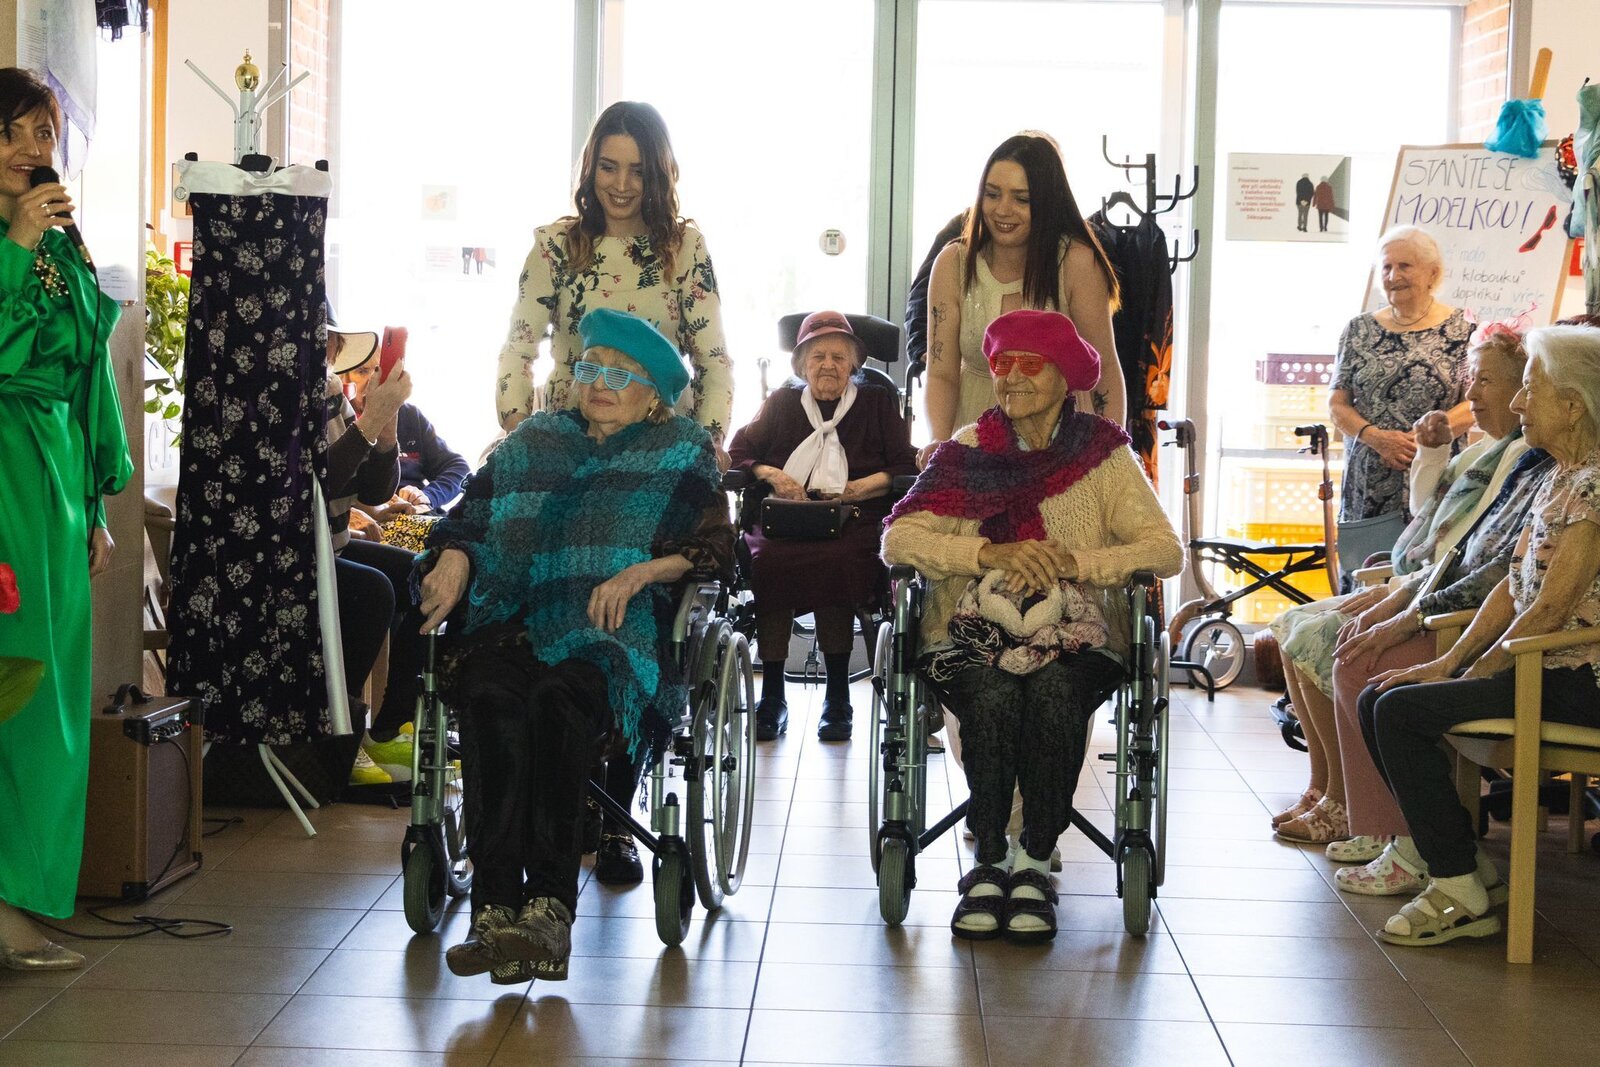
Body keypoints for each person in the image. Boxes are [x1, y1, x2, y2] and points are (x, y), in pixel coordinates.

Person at [420, 308, 732, 983]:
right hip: (517, 617)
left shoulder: (680, 448)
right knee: (490, 693)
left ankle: (548, 912)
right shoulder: (533, 440)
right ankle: (494, 911)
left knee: (558, 698)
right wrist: (455, 556)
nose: (599, 383)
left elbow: (713, 547)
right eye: (591, 367)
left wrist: (641, 572)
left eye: (621, 375)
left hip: (615, 633)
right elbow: (467, 517)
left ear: (655, 396)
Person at [882, 309, 1182, 942]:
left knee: (1052, 692)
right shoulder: (966, 450)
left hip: (1078, 633)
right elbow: (898, 539)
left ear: (1064, 376)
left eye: (1029, 363)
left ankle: (1036, 859)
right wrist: (987, 554)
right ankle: (991, 858)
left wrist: (1075, 563)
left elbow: (1164, 550)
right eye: (1001, 363)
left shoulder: (1103, 454)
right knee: (992, 695)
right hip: (968, 632)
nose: (1010, 376)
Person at [1357, 323, 1600, 948]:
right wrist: (1448, 665)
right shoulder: (1560, 476)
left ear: (1574, 405)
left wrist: (1475, 669)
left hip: (1576, 680)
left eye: (1531, 389)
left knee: (1399, 712)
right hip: (1540, 667)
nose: (1518, 403)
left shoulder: (1594, 486)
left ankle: (1458, 887)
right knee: (1380, 696)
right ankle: (1465, 870)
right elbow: (1510, 590)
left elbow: (1551, 609)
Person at [1269, 326, 1548, 848]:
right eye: (1472, 380)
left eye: (1486, 381)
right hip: (1422, 585)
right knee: (1291, 626)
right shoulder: (1487, 451)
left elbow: (1472, 556)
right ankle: (1325, 788)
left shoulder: (1523, 458)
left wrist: (1405, 597)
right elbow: (1429, 514)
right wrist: (1435, 453)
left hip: (1442, 601)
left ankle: (1354, 807)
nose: (1471, 394)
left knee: (1334, 645)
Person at [0, 68, 133, 970]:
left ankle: (23, 895)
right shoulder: (21, 240)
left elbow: (90, 375)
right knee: (11, 688)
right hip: (2, 471)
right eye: (11, 131)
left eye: (43, 132)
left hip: (54, 486)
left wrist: (95, 504)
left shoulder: (64, 247)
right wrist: (14, 242)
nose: (30, 149)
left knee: (52, 701)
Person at [728, 311, 918, 742]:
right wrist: (773, 475)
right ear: (801, 364)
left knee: (839, 558)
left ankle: (838, 697)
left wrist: (859, 489)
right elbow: (740, 451)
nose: (828, 365)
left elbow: (905, 464)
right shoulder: (782, 402)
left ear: (854, 364)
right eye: (817, 357)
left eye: (838, 357)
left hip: (854, 517)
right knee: (768, 561)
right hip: (784, 517)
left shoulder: (875, 403)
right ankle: (772, 695)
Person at [494, 101, 732, 445]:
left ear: (658, 175)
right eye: (608, 167)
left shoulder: (685, 249)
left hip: (663, 447)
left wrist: (709, 445)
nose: (622, 184)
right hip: (568, 443)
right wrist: (522, 437)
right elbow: (518, 350)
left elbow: (713, 362)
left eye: (638, 171)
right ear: (591, 168)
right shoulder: (554, 246)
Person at [922, 135, 1128, 465]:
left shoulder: (1077, 263)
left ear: (1047, 202)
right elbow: (940, 374)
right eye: (992, 194)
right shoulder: (951, 264)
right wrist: (939, 441)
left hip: (1060, 449)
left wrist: (1110, 454)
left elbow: (1105, 369)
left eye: (1022, 199)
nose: (1003, 209)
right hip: (974, 448)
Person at [322, 324, 419, 785]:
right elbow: (319, 482)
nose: (329, 352)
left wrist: (385, 426)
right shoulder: (289, 400)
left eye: (333, 343)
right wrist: (370, 420)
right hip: (298, 556)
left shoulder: (332, 394)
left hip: (334, 543)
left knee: (420, 572)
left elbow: (375, 490)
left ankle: (388, 726)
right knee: (372, 590)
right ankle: (337, 736)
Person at [1328, 227, 1472, 534]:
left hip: (1437, 471)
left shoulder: (1464, 329)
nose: (1394, 276)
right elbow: (1337, 404)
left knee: (1432, 557)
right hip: (1369, 479)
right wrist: (1377, 438)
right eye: (1386, 267)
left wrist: (1423, 438)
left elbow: (1474, 403)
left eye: (1405, 266)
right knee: (1367, 559)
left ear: (1433, 273)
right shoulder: (1358, 330)